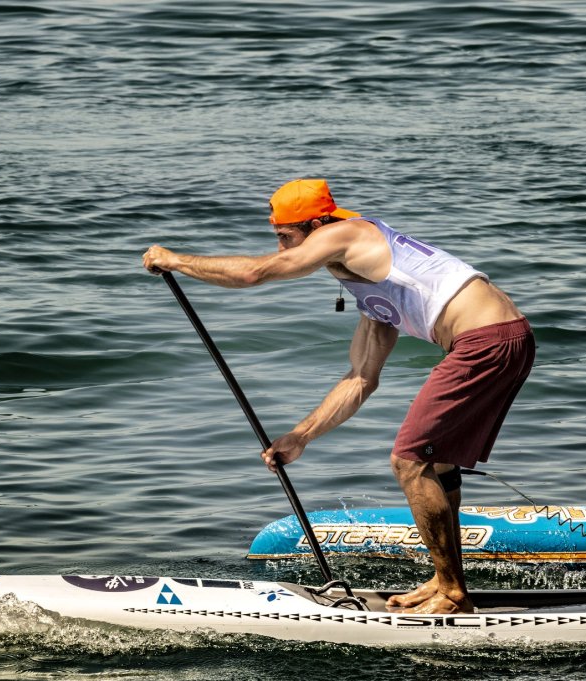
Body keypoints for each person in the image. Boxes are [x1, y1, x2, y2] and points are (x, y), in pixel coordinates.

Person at [142, 179, 534, 615]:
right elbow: (361, 379)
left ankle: (453, 592)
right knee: (435, 460)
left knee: (408, 460)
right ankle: (445, 580)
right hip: (501, 339)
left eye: (285, 236)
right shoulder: (372, 291)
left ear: (316, 225)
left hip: (486, 342)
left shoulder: (348, 233)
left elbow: (256, 272)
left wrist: (175, 260)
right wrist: (301, 436)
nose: (282, 247)